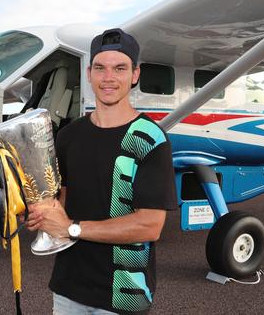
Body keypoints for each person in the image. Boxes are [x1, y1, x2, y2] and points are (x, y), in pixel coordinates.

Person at [27, 28, 177, 314]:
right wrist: (42, 213)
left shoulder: (150, 139)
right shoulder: (69, 136)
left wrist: (71, 228)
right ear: (89, 73)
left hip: (123, 295)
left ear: (135, 74)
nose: (109, 78)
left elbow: (150, 225)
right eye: (101, 68)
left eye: (119, 68)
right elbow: (62, 202)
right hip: (68, 287)